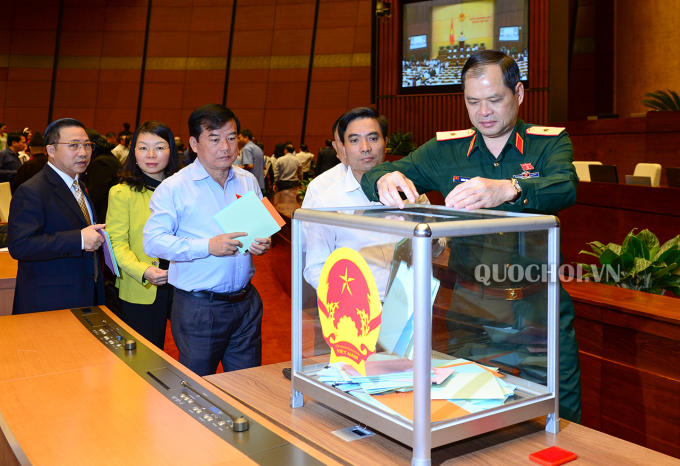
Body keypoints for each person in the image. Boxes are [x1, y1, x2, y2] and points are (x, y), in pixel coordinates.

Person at [361, 50, 582, 423]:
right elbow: (378, 175)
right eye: (473, 101)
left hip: (536, 307)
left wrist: (510, 188)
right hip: (471, 311)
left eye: (495, 99)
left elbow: (566, 186)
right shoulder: (446, 152)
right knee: (467, 416)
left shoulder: (548, 144)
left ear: (519, 93)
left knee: (559, 418)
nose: (483, 112)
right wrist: (382, 178)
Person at [143, 104, 271, 376]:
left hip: (246, 302)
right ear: (194, 143)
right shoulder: (175, 188)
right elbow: (153, 241)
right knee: (199, 389)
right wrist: (207, 246)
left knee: (248, 386)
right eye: (214, 139)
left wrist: (262, 242)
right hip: (199, 308)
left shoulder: (247, 180)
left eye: (232, 137)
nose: (226, 147)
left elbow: (260, 229)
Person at [304, 107, 432, 300]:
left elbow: (436, 246)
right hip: (355, 309)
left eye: (373, 138)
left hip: (412, 303)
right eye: (354, 140)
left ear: (386, 143)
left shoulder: (410, 191)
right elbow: (315, 267)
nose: (365, 147)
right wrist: (351, 304)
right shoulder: (327, 201)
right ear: (343, 148)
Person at [8, 118, 105, 314]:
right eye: (74, 145)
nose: (83, 152)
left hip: (84, 292)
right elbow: (20, 246)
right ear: (51, 150)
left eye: (87, 145)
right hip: (50, 301)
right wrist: (78, 239)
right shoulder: (32, 190)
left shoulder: (79, 185)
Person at [107, 121, 182, 349]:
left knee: (191, 352)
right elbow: (116, 244)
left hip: (182, 284)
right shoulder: (121, 192)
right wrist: (144, 271)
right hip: (143, 284)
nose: (151, 155)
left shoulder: (182, 190)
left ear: (171, 150)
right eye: (142, 148)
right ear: (133, 152)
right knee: (146, 355)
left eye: (159, 147)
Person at [83, 129, 121, 223]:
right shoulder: (105, 157)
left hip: (104, 216)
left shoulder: (101, 162)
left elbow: (95, 196)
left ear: (93, 147)